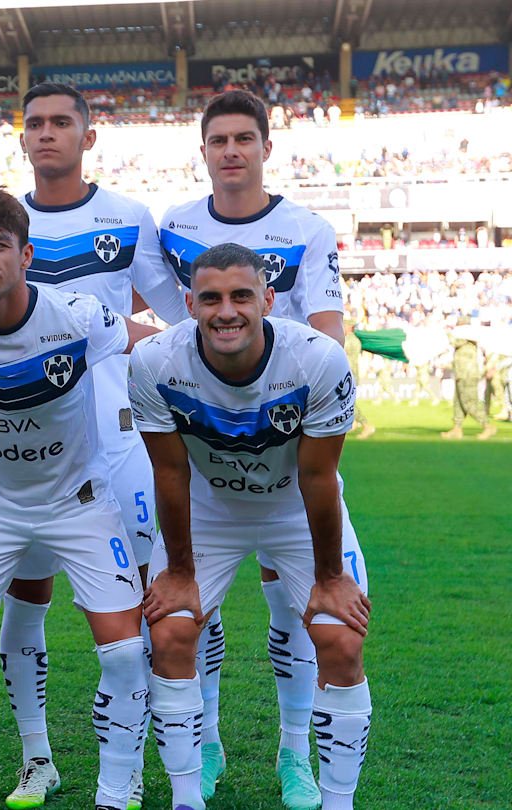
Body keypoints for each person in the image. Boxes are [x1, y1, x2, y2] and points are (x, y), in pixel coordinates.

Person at [0, 188, 159, 810]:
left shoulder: (76, 316)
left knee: (127, 649)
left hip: (78, 502)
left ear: (26, 255)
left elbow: (149, 345)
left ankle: (116, 789)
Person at [131, 242, 372, 810]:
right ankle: (186, 798)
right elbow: (169, 471)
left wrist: (331, 577)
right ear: (189, 303)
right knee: (168, 632)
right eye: (210, 298)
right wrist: (181, 572)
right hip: (210, 510)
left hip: (293, 508)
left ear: (267, 299)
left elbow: (318, 478)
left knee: (339, 638)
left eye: (242, 296)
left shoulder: (317, 359)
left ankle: (324, 785)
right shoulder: (153, 362)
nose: (226, 311)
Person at [2, 82, 189, 809]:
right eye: (34, 124)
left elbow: (179, 327)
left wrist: (114, 339)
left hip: (118, 446)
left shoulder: (127, 218)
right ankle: (36, 757)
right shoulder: (1, 225)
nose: (46, 134)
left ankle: (129, 770)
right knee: (27, 602)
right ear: (22, 139)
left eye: (60, 123)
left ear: (89, 135)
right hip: (24, 446)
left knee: (137, 613)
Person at [158, 89, 346, 804]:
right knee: (188, 610)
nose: (231, 151)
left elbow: (327, 337)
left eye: (245, 138)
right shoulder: (174, 226)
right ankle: (204, 743)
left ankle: (294, 754)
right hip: (208, 449)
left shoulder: (307, 228)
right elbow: (166, 323)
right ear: (203, 151)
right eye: (218, 140)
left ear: (268, 147)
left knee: (294, 610)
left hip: (291, 451)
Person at [443, 324, 496, 440]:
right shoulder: (467, 342)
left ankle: (487, 426)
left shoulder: (463, 340)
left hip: (467, 375)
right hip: (461, 374)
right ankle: (457, 429)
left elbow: (453, 342)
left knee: (469, 402)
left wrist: (447, 332)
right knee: (458, 403)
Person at [344, 317, 374, 439]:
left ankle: (367, 425)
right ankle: (353, 424)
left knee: (348, 403)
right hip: (352, 373)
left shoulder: (347, 340)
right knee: (349, 401)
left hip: (347, 374)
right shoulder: (355, 340)